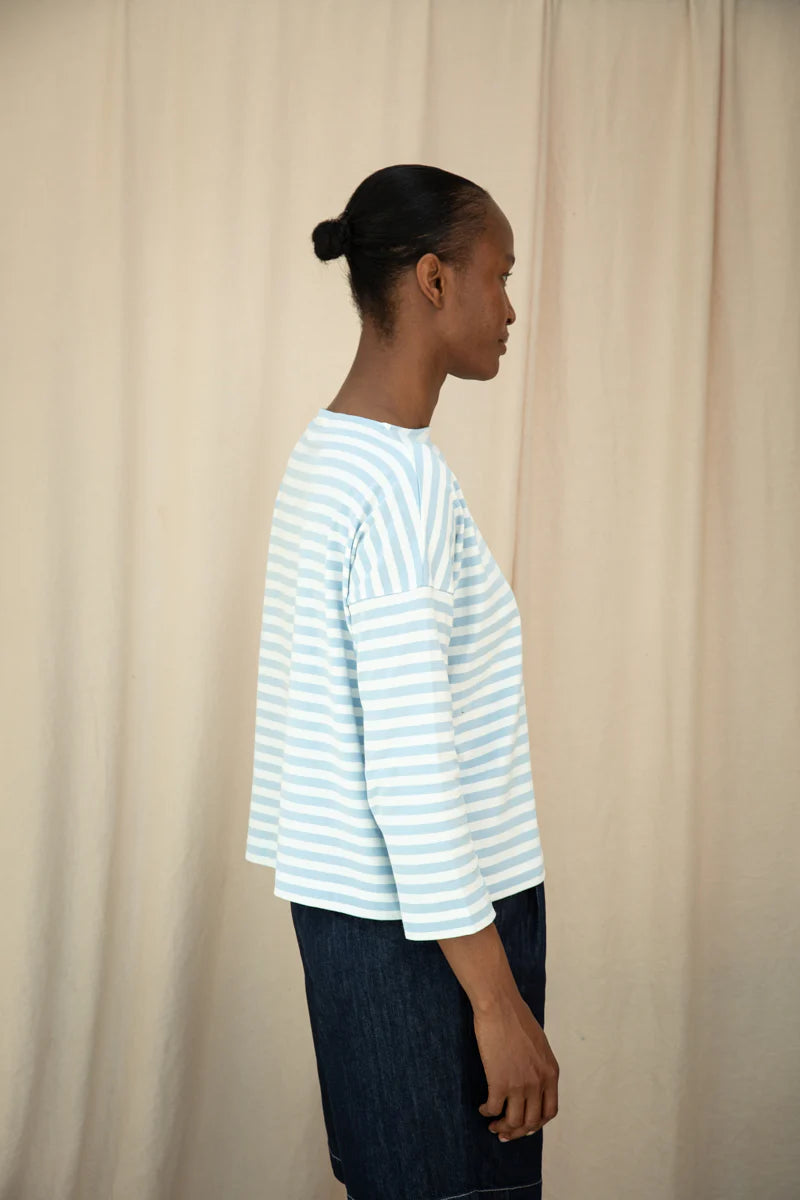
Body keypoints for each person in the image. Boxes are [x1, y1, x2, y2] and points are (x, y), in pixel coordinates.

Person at [245, 163, 559, 1200]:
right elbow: (412, 772)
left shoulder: (324, 460)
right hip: (431, 943)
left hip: (354, 931)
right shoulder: (399, 484)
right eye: (497, 275)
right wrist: (496, 1004)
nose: (509, 308)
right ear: (433, 280)